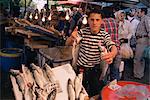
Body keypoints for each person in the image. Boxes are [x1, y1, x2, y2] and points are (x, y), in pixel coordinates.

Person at [66, 9, 117, 97]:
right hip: (81, 69)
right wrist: (71, 37)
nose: (94, 23)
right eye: (92, 20)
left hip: (95, 70)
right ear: (88, 20)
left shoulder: (104, 35)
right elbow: (67, 43)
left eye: (97, 20)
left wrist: (112, 54)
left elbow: (112, 46)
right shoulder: (82, 32)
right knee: (79, 92)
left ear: (101, 21)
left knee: (95, 93)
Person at [101, 9, 121, 81]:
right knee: (115, 72)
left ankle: (104, 89)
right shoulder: (116, 22)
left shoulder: (102, 22)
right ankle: (114, 89)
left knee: (104, 72)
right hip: (117, 50)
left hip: (107, 52)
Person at [134, 8, 150, 79]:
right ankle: (139, 74)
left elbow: (149, 30)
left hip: (143, 40)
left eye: (138, 12)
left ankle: (137, 75)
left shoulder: (146, 18)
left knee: (138, 58)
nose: (137, 13)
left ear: (142, 12)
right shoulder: (142, 19)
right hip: (141, 40)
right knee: (140, 59)